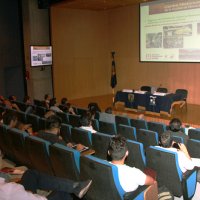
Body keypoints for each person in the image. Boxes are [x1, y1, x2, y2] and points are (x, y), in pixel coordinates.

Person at [0, 169, 92, 200]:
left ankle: (75, 187)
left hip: (19, 194)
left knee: (30, 173)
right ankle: (75, 187)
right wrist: (26, 193)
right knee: (64, 192)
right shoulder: (8, 190)